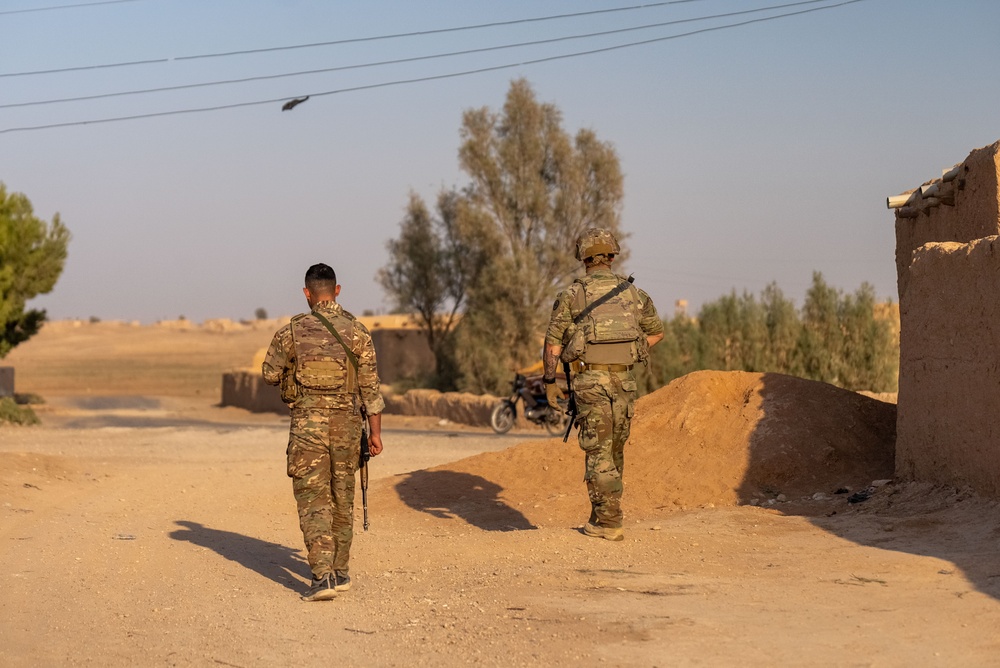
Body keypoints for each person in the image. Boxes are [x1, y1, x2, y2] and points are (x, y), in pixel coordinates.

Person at [262, 263, 385, 601]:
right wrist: (375, 435)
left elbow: (270, 374)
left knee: (314, 501)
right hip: (347, 426)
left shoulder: (292, 331)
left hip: (306, 427)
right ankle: (341, 572)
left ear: (307, 294)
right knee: (343, 498)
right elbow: (371, 389)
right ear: (337, 291)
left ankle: (321, 578)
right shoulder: (358, 332)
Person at [542, 229, 663, 541]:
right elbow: (656, 332)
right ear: (611, 256)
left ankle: (609, 522)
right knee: (614, 449)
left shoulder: (571, 295)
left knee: (598, 451)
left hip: (591, 381)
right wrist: (634, 351)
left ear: (584, 258)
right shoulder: (634, 294)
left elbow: (553, 342)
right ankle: (602, 515)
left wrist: (549, 381)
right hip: (625, 381)